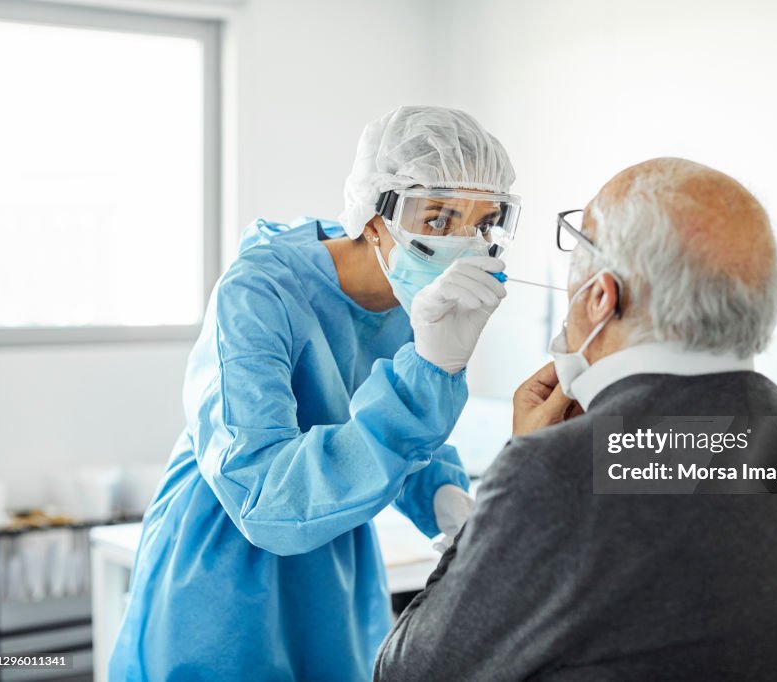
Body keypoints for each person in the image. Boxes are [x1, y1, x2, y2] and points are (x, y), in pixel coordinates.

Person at [374, 157, 777, 681]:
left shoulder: (559, 470)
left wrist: (511, 484)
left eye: (578, 245)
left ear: (600, 296)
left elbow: (409, 672)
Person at [108, 106, 521, 681]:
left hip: (335, 550)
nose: (462, 245)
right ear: (376, 218)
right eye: (439, 218)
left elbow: (396, 431)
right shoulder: (260, 292)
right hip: (225, 563)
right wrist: (428, 369)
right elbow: (266, 499)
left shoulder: (412, 298)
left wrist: (444, 495)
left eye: (483, 224)